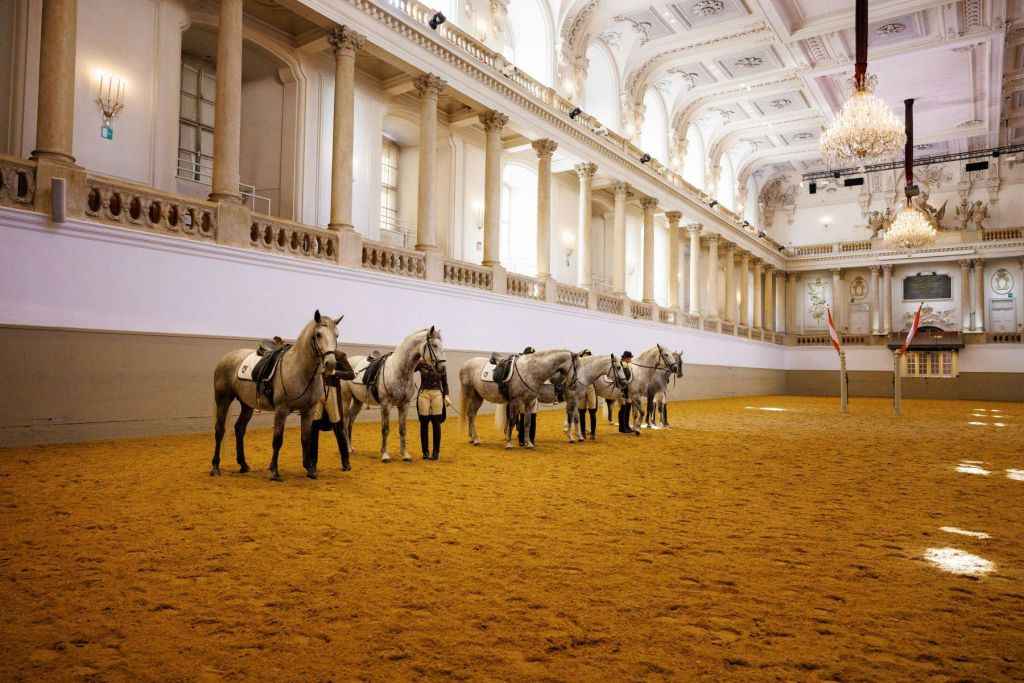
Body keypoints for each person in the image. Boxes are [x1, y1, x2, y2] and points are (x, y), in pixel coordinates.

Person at [307, 350, 356, 476]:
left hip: (332, 392)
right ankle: (312, 463)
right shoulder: (315, 354)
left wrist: (335, 372)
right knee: (313, 429)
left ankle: (345, 461)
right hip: (316, 392)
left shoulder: (339, 355)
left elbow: (351, 374)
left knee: (338, 428)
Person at [416, 357, 450, 460]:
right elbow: (409, 369)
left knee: (436, 423)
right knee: (424, 423)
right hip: (424, 393)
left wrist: (447, 395)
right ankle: (425, 451)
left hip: (437, 393)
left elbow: (444, 382)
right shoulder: (421, 363)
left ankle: (436, 452)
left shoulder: (441, 365)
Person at [517, 346, 537, 446]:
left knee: (533, 416)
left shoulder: (537, 369)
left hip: (533, 395)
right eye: (529, 355)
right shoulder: (521, 368)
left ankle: (531, 438)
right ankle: (521, 439)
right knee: (523, 416)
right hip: (522, 396)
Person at [577, 349, 598, 440]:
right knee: (581, 412)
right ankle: (583, 432)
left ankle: (593, 433)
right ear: (582, 356)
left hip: (590, 388)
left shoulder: (592, 366)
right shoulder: (578, 366)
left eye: (588, 354)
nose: (586, 356)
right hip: (581, 388)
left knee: (592, 411)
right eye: (585, 354)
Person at [618, 350, 639, 435]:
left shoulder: (626, 364)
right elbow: (625, 376)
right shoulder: (623, 364)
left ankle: (626, 425)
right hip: (622, 388)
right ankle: (622, 427)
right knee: (623, 407)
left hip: (626, 388)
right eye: (629, 358)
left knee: (628, 405)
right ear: (626, 358)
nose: (630, 359)